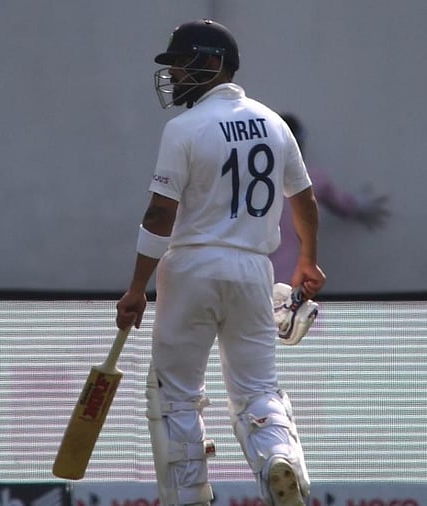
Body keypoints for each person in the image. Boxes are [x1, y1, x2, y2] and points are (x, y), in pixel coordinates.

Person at [115, 19, 326, 506]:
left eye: (182, 65)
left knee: (175, 394)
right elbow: (305, 200)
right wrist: (309, 261)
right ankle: (279, 458)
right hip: (255, 270)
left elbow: (159, 213)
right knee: (257, 390)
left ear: (212, 64)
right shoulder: (274, 123)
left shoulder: (184, 128)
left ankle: (188, 496)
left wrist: (135, 288)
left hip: (191, 267)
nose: (174, 76)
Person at [270, 113, 390, 283]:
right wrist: (362, 204)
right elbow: (345, 205)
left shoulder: (251, 183)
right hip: (294, 282)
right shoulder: (313, 180)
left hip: (253, 280)